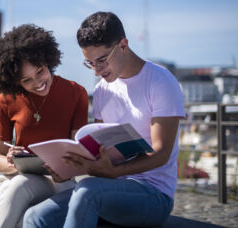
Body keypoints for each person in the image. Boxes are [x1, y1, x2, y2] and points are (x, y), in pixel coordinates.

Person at [23, 12, 185, 228]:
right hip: (109, 188)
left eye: (102, 60)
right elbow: (101, 150)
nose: (97, 71)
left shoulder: (160, 81)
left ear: (123, 45)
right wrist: (67, 168)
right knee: (35, 217)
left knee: (86, 193)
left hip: (153, 195)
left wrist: (115, 171)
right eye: (90, 63)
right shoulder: (102, 91)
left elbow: (161, 153)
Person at [0, 24, 88, 228]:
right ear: (15, 81)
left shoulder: (76, 94)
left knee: (26, 217)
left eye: (40, 71)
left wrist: (64, 168)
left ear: (48, 61)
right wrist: (12, 161)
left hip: (61, 182)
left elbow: (80, 153)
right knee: (20, 187)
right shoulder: (7, 99)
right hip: (23, 178)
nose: (38, 82)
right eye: (27, 80)